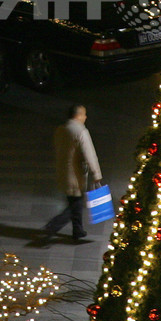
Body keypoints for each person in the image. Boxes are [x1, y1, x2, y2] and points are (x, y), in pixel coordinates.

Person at [43, 103, 103, 240]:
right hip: (76, 174)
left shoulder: (61, 129)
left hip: (63, 171)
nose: (86, 117)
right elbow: (90, 155)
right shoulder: (81, 131)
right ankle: (54, 225)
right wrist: (96, 174)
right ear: (79, 115)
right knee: (75, 205)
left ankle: (78, 230)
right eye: (84, 114)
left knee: (74, 202)